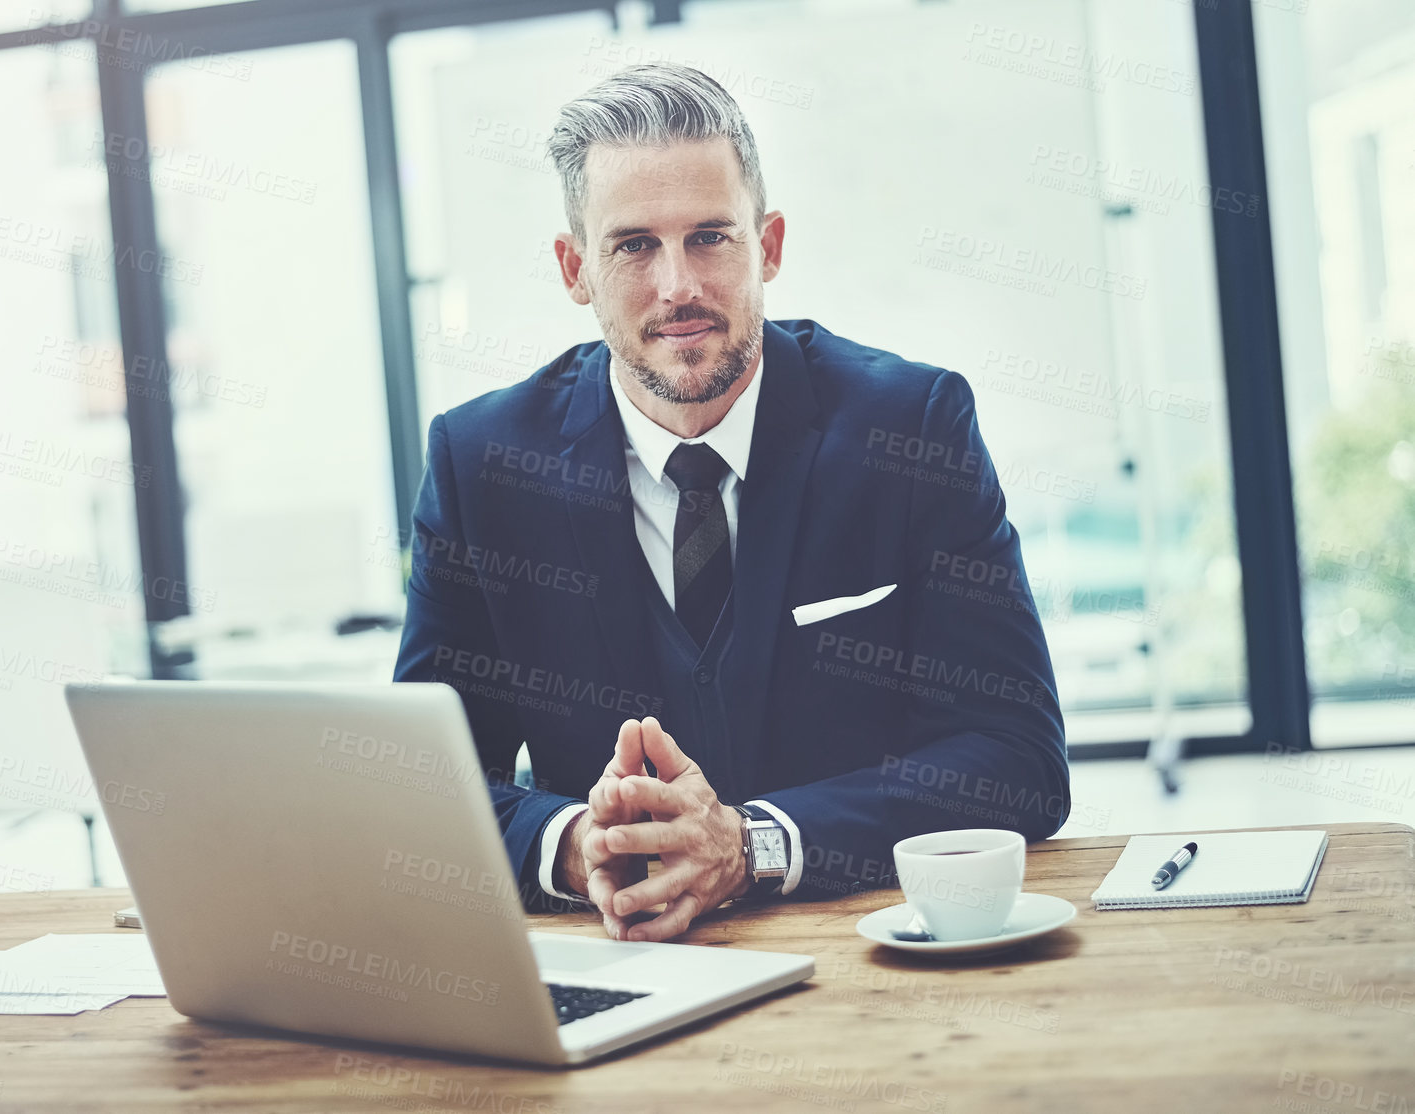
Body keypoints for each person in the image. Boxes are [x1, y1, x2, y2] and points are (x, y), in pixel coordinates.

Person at [394, 63, 1069, 943]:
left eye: (710, 237)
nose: (678, 287)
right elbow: (423, 787)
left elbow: (1016, 757)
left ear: (770, 246)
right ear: (574, 269)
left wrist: (751, 846)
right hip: (619, 959)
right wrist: (571, 845)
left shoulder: (913, 430)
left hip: (876, 954)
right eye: (633, 245)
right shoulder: (480, 463)